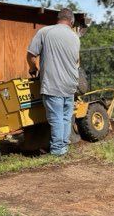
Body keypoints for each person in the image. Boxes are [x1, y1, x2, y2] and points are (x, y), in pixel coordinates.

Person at [27, 8, 80, 156]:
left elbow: (31, 55)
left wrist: (34, 68)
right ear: (72, 21)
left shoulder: (45, 32)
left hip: (53, 84)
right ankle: (63, 147)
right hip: (70, 84)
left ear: (58, 18)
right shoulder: (75, 37)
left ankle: (57, 151)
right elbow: (76, 61)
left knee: (56, 117)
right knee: (65, 117)